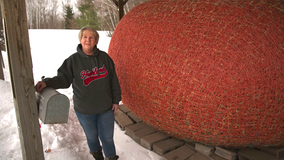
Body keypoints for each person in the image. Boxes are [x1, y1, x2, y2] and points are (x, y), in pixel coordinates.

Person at [35, 26, 121, 160]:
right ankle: (97, 155)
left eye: (91, 37)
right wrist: (47, 83)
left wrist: (116, 100)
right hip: (84, 109)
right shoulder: (73, 61)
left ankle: (111, 157)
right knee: (92, 136)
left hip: (105, 107)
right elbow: (63, 79)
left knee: (107, 137)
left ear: (96, 41)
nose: (88, 40)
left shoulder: (105, 58)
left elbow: (113, 81)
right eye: (85, 37)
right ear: (80, 40)